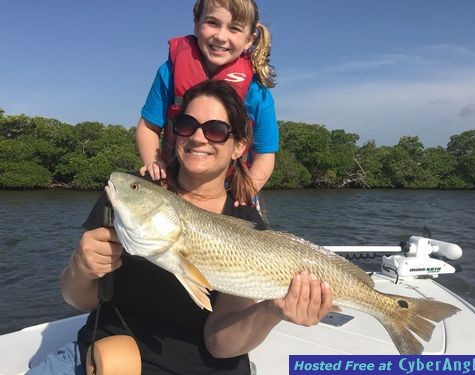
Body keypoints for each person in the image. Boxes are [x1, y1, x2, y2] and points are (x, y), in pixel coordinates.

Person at [27, 81, 332, 375]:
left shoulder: (247, 221)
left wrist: (272, 311)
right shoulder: (133, 193)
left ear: (239, 146)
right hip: (111, 360)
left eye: (215, 130)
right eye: (187, 125)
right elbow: (78, 298)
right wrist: (80, 267)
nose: (199, 138)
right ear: (175, 133)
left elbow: (220, 344)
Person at [137, 0, 279, 197]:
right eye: (212, 23)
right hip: (173, 184)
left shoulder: (258, 93)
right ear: (196, 24)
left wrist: (246, 192)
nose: (220, 36)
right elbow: (148, 127)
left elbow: (265, 155)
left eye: (234, 28)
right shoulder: (169, 72)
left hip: (231, 189)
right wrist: (154, 164)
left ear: (250, 39)